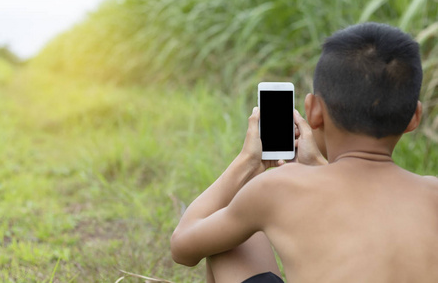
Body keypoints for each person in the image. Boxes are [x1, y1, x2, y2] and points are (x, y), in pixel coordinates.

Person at [170, 22, 438, 283]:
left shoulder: (277, 187)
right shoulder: (433, 194)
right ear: (414, 117)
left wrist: (247, 161)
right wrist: (318, 164)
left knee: (228, 232)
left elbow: (183, 247)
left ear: (313, 112)